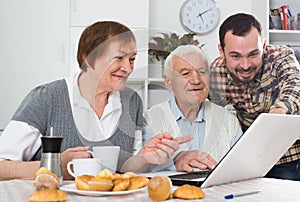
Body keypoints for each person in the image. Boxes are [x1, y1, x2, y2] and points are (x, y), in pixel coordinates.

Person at [0, 21, 191, 180]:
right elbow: (2, 167)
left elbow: (126, 170)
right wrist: (56, 167)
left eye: (132, 59)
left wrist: (145, 157)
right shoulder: (47, 97)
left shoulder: (132, 101)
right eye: (119, 58)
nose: (128, 68)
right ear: (88, 58)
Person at [209, 13, 300, 180]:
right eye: (235, 56)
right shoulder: (215, 73)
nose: (245, 65)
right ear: (221, 51)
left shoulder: (280, 57)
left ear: (264, 46)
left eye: (253, 54)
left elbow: (294, 84)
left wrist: (277, 114)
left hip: (290, 158)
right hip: (247, 161)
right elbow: (213, 115)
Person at [143, 45, 243, 172]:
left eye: (202, 72)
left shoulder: (229, 120)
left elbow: (240, 168)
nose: (196, 80)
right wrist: (174, 162)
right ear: (169, 83)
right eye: (185, 73)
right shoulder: (149, 119)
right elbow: (139, 169)